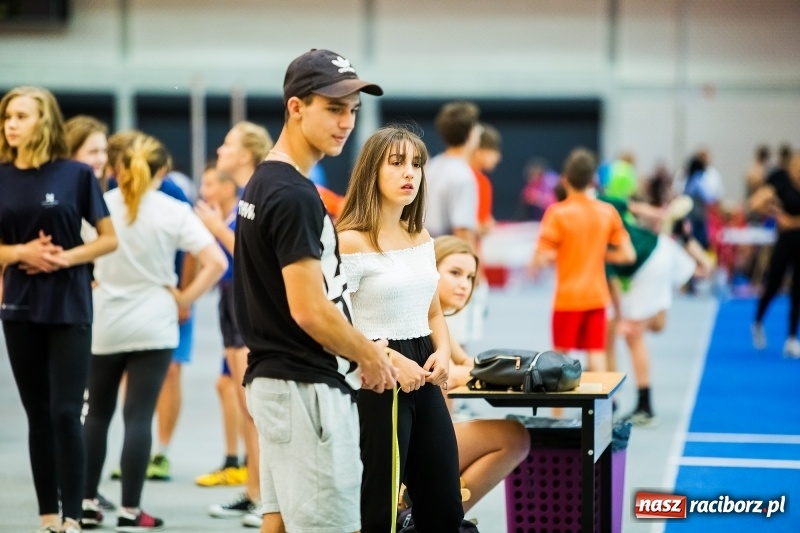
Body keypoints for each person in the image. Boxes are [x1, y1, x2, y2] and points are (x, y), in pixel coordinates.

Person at [233, 48, 397, 533]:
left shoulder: (265, 183)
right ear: (296, 107)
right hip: (304, 390)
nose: (346, 122)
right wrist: (369, 356)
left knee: (279, 523)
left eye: (352, 111)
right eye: (333, 108)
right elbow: (309, 309)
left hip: (279, 385)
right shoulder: (292, 195)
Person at [81, 133, 226, 531]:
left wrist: (91, 281)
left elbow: (75, 257)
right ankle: (130, 511)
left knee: (96, 414)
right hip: (155, 321)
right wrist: (185, 297)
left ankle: (87, 503)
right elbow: (214, 260)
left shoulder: (99, 207)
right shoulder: (173, 210)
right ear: (162, 170)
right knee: (139, 416)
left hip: (105, 321)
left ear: (115, 169)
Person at [0, 86, 118, 533]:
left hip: (70, 304)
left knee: (66, 413)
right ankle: (47, 515)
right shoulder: (2, 175)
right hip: (20, 306)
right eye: (8, 116)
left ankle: (73, 515)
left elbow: (108, 238)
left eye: (22, 116)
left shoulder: (76, 175)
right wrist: (20, 253)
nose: (12, 124)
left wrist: (65, 257)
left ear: (44, 121)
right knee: (38, 415)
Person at [338, 126, 464, 532]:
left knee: (444, 504)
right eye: (396, 163)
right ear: (371, 172)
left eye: (416, 164)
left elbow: (432, 313)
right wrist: (390, 359)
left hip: (424, 371)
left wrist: (443, 352)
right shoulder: (350, 242)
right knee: (380, 510)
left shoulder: (420, 236)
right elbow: (334, 324)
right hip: (377, 377)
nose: (410, 172)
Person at [204, 121, 272, 528]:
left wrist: (215, 230)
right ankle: (253, 492)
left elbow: (254, 256)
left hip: (250, 304)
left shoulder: (258, 195)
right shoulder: (239, 201)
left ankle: (267, 497)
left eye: (227, 144)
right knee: (243, 402)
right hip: (230, 301)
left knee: (255, 408)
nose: (219, 150)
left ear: (246, 154)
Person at [434, 235, 531, 514]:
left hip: (430, 436)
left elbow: (468, 363)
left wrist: (518, 368)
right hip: (410, 444)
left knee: (515, 436)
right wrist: (514, 375)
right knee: (513, 437)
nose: (465, 284)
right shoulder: (418, 319)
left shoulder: (438, 320)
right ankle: (432, 517)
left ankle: (435, 516)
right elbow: (449, 374)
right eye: (455, 273)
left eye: (470, 277)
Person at [528, 148, 635, 373]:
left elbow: (540, 258)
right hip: (597, 296)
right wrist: (600, 253)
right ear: (593, 180)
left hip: (567, 298)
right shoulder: (607, 212)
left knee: (558, 360)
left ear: (565, 179)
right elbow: (628, 255)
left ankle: (555, 410)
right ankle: (602, 408)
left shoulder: (557, 213)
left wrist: (561, 253)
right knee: (597, 355)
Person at [193, 162, 248, 488]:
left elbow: (246, 255)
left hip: (241, 300)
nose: (204, 191)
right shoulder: (221, 217)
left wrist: (213, 227)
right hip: (226, 297)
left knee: (240, 390)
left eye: (211, 184)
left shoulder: (239, 214)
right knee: (226, 385)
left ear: (228, 187)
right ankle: (235, 462)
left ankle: (247, 470)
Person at [750, 151, 800, 358]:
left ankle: (791, 339)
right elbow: (755, 203)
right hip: (784, 242)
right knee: (774, 285)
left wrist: (793, 222)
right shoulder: (780, 180)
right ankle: (758, 322)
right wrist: (776, 214)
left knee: (798, 291)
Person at [424, 101, 481, 249]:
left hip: (425, 251)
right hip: (446, 255)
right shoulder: (463, 175)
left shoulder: (431, 167)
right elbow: (462, 231)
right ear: (471, 134)